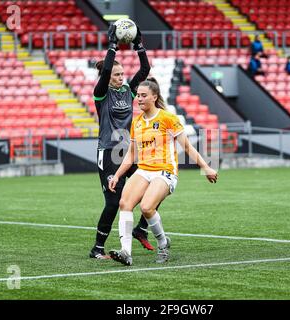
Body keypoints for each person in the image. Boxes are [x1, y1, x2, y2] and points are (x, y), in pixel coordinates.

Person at [107, 78, 218, 266]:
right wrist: (117, 175)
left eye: (143, 96)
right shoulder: (137, 122)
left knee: (147, 207)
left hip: (165, 171)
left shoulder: (168, 118)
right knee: (124, 203)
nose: (139, 99)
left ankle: (163, 243)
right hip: (144, 169)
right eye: (138, 96)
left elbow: (188, 147)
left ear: (154, 97)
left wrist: (205, 167)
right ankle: (126, 252)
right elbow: (131, 155)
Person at [88, 23, 154, 259]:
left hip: (129, 152)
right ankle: (97, 248)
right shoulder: (101, 93)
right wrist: (112, 47)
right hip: (108, 152)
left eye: (121, 74)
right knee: (113, 202)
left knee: (155, 183)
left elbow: (145, 68)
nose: (120, 77)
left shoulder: (128, 90)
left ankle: (141, 230)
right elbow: (105, 73)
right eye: (116, 75)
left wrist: (139, 46)